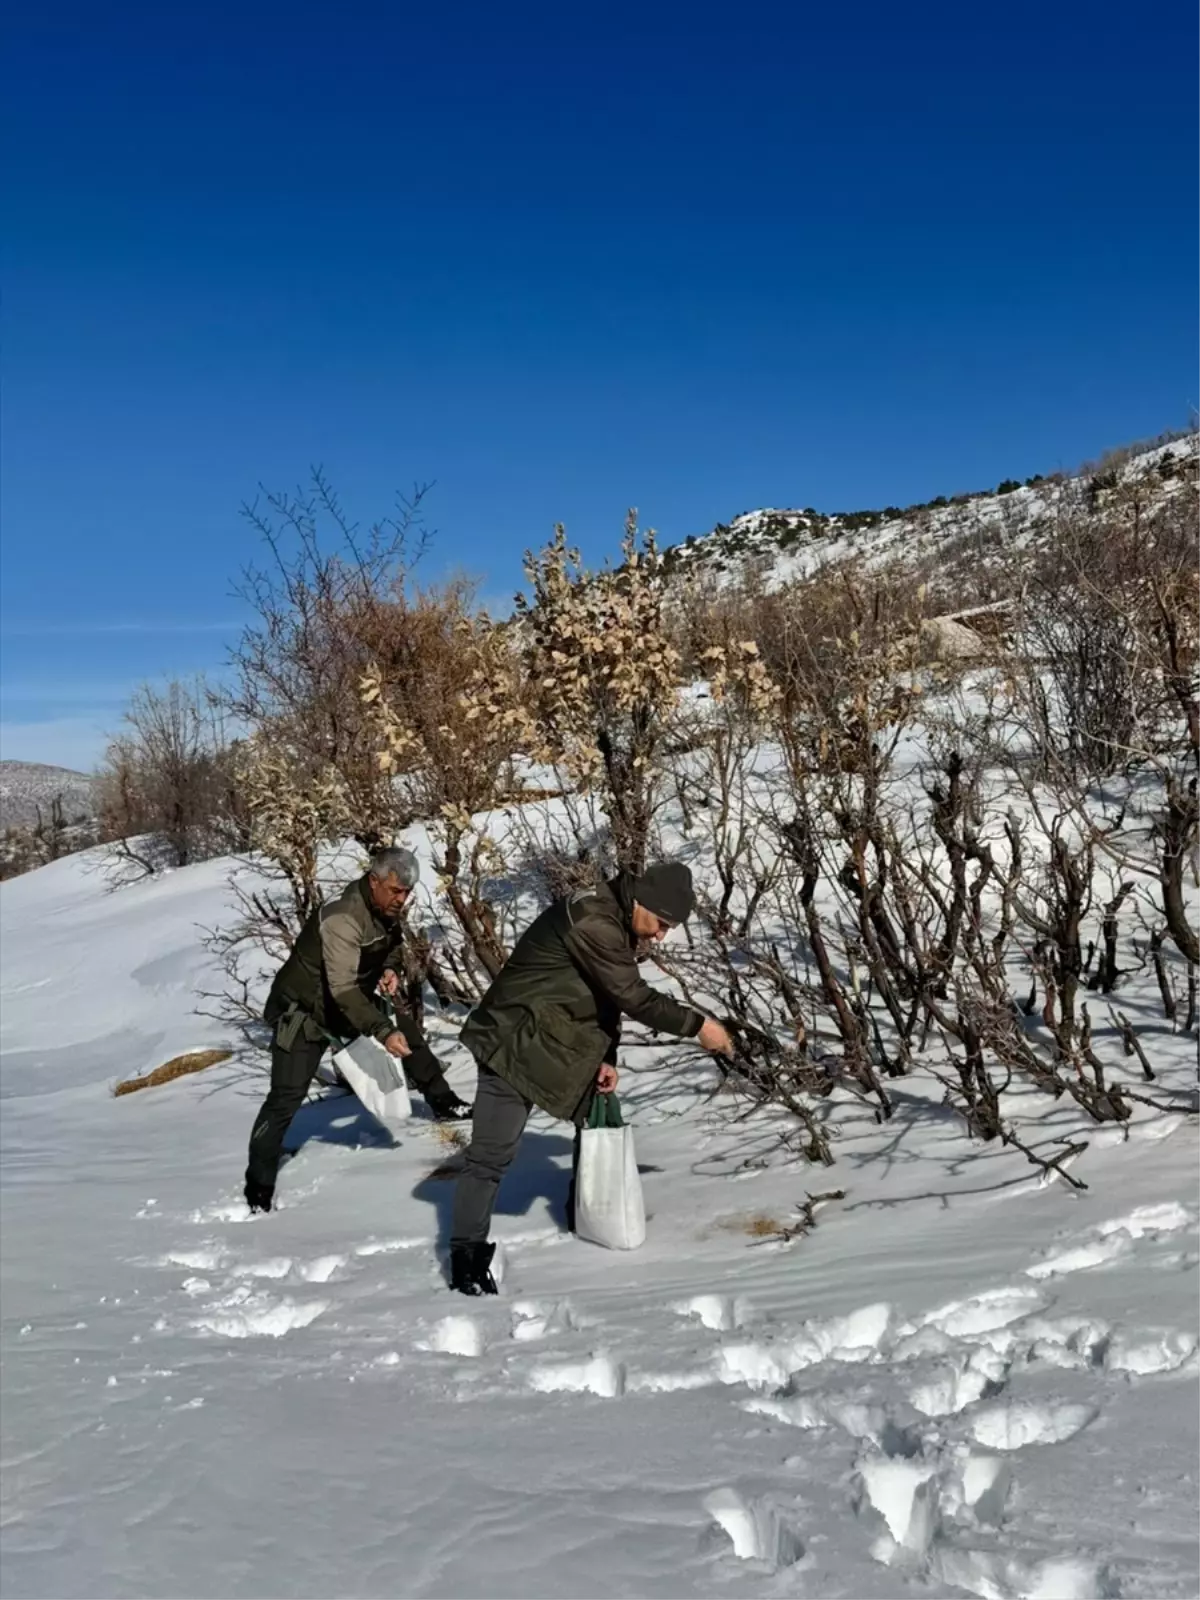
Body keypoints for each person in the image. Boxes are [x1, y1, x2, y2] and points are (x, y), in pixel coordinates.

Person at [448, 861, 734, 1294]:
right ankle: (466, 1258)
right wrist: (701, 1027)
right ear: (641, 901)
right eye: (660, 923)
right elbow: (633, 997)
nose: (660, 935)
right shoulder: (594, 921)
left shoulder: (611, 917)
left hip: (549, 1038)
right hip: (511, 1039)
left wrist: (608, 1057)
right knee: (491, 1155)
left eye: (668, 928)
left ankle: (586, 1216)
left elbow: (605, 997)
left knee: (593, 1120)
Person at [244, 846, 471, 1213]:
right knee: (285, 1096)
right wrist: (381, 1030)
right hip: (303, 1014)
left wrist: (391, 968)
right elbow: (343, 989)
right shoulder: (342, 918)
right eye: (397, 891)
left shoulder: (386, 909)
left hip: (346, 1004)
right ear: (374, 881)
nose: (403, 898)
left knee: (409, 1035)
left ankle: (445, 1103)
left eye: (407, 892)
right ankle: (258, 1186)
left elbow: (391, 947)